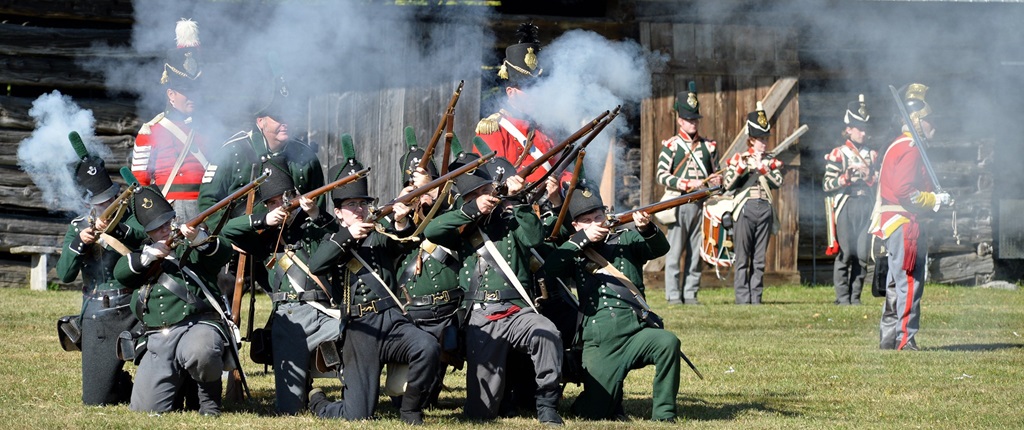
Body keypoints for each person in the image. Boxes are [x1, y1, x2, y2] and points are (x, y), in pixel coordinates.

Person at [422, 155, 565, 425]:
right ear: (466, 201)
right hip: (481, 314)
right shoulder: (463, 227)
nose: (485, 196)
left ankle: (547, 403)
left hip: (518, 310)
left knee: (547, 332)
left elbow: (535, 237)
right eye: (475, 194)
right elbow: (432, 230)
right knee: (480, 412)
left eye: (486, 190)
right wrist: (472, 210)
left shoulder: (513, 218)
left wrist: (519, 201)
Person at [307, 150, 441, 425]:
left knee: (427, 346)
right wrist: (347, 236)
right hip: (359, 328)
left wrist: (401, 220)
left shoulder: (380, 235)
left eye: (362, 203)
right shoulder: (333, 239)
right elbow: (317, 265)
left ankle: (410, 410)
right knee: (358, 415)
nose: (359, 209)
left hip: (392, 320)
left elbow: (403, 243)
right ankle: (320, 404)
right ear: (338, 212)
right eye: (351, 204)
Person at [541, 184, 680, 421]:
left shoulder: (626, 238)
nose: (596, 222)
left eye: (598, 216)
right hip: (599, 340)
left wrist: (646, 228)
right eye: (587, 220)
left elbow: (660, 248)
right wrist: (581, 239)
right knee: (595, 412)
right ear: (576, 226)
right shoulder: (574, 249)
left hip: (635, 332)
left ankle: (664, 414)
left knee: (668, 343)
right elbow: (549, 269)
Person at [219, 165, 340, 414]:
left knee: (357, 335)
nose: (279, 205)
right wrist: (263, 220)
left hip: (323, 312)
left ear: (294, 194)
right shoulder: (266, 237)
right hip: (288, 317)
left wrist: (315, 212)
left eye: (283, 199)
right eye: (272, 202)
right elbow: (227, 231)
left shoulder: (314, 225)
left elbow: (340, 236)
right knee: (289, 409)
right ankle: (309, 392)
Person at [113, 186, 234, 416]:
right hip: (160, 336)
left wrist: (198, 238)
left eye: (167, 223)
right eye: (157, 229)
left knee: (202, 351)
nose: (165, 230)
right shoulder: (145, 257)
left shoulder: (194, 247)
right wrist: (150, 255)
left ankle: (209, 401)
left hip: (197, 326)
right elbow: (122, 272)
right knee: (144, 409)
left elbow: (224, 252)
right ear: (148, 233)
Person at [55, 152, 148, 405]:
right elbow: (64, 274)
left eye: (111, 199)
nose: (109, 205)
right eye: (101, 202)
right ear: (88, 205)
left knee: (154, 397)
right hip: (99, 314)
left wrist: (116, 228)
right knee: (95, 401)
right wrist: (80, 244)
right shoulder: (77, 228)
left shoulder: (132, 219)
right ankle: (119, 382)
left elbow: (146, 238)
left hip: (135, 308)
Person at [870, 83, 951, 351]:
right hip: (905, 224)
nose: (933, 127)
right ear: (916, 120)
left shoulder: (898, 145)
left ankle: (889, 338)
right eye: (929, 121)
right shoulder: (911, 147)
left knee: (896, 284)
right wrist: (933, 200)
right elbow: (905, 191)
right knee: (909, 284)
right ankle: (905, 339)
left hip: (896, 223)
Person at [130, 19, 213, 221]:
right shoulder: (150, 131)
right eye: (186, 91)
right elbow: (141, 183)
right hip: (167, 212)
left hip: (206, 210)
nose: (192, 97)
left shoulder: (211, 128)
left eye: (195, 91)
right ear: (171, 94)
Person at [655, 81, 720, 305]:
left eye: (695, 119)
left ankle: (691, 293)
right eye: (689, 119)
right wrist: (685, 183)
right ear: (680, 120)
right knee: (674, 252)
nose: (693, 123)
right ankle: (673, 295)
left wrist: (717, 181)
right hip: (679, 203)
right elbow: (661, 175)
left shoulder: (708, 147)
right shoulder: (672, 146)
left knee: (696, 252)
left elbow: (715, 174)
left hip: (701, 204)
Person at [476, 22, 557, 183]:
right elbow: (488, 180)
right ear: (511, 93)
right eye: (527, 88)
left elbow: (560, 170)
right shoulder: (493, 128)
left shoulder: (545, 129)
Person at [724, 103, 784, 305]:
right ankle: (742, 298)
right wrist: (742, 168)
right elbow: (728, 184)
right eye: (760, 139)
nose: (764, 143)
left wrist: (764, 168)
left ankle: (756, 297)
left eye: (766, 139)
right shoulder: (740, 159)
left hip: (765, 207)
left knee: (759, 259)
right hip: (745, 208)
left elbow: (779, 182)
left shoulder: (771, 160)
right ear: (751, 139)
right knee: (742, 257)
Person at [823, 94, 878, 305]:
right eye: (859, 128)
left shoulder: (872, 155)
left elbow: (877, 182)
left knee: (862, 255)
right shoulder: (838, 154)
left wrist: (868, 176)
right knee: (845, 254)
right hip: (846, 205)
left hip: (866, 205)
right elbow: (827, 184)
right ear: (848, 129)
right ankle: (843, 298)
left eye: (865, 128)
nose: (863, 132)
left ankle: (856, 298)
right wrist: (845, 178)